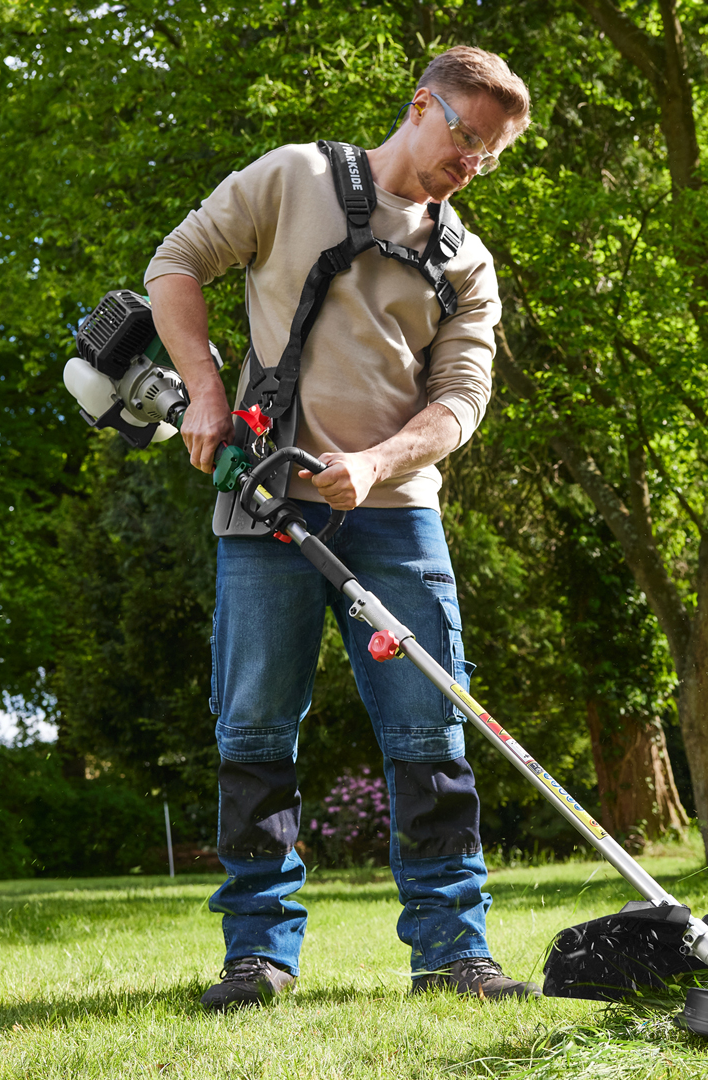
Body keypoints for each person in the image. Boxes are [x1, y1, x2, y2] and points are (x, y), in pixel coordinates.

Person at [143, 46, 532, 1012]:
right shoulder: (295, 178)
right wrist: (205, 392)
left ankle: (453, 953)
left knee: (429, 729)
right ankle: (258, 955)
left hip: (396, 518)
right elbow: (176, 264)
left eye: (490, 156)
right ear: (421, 105)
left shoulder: (465, 262)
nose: (472, 163)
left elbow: (461, 401)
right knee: (254, 728)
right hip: (263, 506)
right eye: (467, 138)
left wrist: (375, 463)